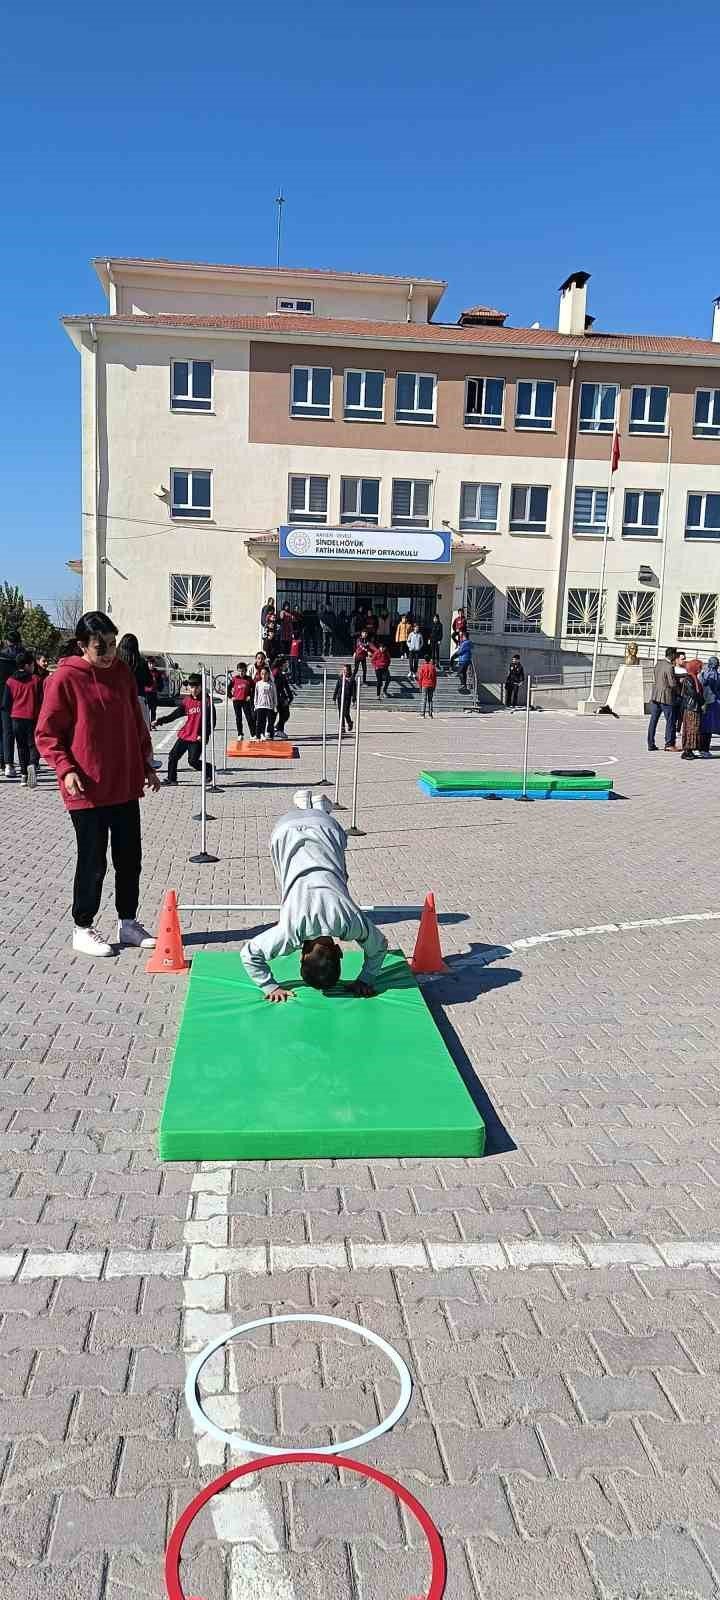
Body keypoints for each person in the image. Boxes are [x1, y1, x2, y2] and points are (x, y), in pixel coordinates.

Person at [34, 611, 159, 957]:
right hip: (85, 788)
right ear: (81, 646)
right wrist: (66, 768)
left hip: (122, 784)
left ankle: (128, 922)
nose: (107, 652)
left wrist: (147, 763)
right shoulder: (64, 680)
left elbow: (136, 723)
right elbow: (47, 734)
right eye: (100, 646)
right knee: (93, 861)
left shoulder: (121, 673)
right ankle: (83, 926)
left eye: (112, 644)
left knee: (129, 857)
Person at [241, 790, 388, 1002]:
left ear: (339, 951)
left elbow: (380, 946)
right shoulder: (291, 931)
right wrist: (270, 987)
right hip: (284, 830)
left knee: (334, 864)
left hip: (327, 827)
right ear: (301, 955)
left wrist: (366, 978)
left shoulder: (350, 923)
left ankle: (317, 809)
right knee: (292, 867)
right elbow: (249, 955)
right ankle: (312, 807)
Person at [156, 675, 214, 784]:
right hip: (186, 734)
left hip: (197, 737)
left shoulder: (207, 701)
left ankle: (209, 769)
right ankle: (171, 779)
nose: (194, 690)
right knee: (173, 756)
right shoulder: (187, 701)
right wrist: (160, 721)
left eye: (197, 687)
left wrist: (204, 735)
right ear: (189, 688)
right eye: (192, 687)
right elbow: (174, 715)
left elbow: (212, 721)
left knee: (192, 761)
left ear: (201, 687)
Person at [116, 633, 162, 768]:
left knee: (120, 731)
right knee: (143, 731)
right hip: (138, 698)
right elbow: (148, 681)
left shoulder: (116, 661)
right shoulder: (139, 661)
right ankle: (148, 760)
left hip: (119, 699)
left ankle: (120, 759)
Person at [2, 650, 43, 787]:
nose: (33, 667)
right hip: (32, 718)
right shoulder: (36, 680)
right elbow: (42, 700)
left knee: (21, 747)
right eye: (32, 665)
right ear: (27, 665)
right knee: (33, 745)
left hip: (16, 718)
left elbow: (6, 703)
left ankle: (24, 776)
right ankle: (33, 764)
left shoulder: (10, 681)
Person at [647, 648, 678, 751]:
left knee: (653, 721)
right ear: (672, 655)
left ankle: (650, 743)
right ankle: (669, 744)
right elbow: (672, 683)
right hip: (666, 697)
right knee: (670, 721)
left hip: (655, 696)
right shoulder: (670, 667)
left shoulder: (658, 664)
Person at [0, 630, 21, 777]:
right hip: (20, 699)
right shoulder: (23, 657)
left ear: (7, 641)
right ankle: (28, 763)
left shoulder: (1, 657)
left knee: (4, 732)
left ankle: (5, 763)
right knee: (21, 734)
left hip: (2, 699)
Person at [679, 668, 703, 760]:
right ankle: (687, 751)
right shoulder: (689, 678)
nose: (700, 670)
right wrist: (702, 701)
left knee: (694, 729)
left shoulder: (694, 678)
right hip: (691, 707)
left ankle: (690, 750)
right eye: (699, 667)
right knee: (691, 729)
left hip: (694, 706)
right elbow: (693, 693)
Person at [699, 656, 720, 756]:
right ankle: (705, 749)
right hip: (713, 703)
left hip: (703, 703)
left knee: (703, 727)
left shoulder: (703, 674)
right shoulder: (716, 675)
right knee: (709, 728)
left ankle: (702, 748)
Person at [230, 662, 255, 738]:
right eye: (240, 671)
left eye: (243, 671)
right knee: (238, 718)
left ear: (246, 671)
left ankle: (253, 734)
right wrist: (231, 696)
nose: (241, 673)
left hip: (245, 701)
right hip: (237, 701)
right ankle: (240, 733)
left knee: (249, 717)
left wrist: (250, 696)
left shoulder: (249, 679)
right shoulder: (235, 679)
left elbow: (254, 689)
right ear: (237, 670)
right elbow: (228, 688)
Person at [254, 665, 277, 740]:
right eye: (262, 674)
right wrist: (255, 705)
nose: (264, 676)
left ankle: (270, 734)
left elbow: (274, 695)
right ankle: (259, 735)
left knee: (270, 722)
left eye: (266, 674)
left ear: (268, 674)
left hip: (269, 706)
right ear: (260, 675)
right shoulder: (258, 684)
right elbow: (256, 695)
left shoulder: (271, 684)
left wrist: (275, 705)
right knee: (260, 722)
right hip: (260, 705)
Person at [272, 658, 294, 735]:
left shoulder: (281, 672)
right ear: (282, 664)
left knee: (285, 714)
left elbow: (285, 685)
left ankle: (279, 729)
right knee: (276, 715)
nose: (287, 665)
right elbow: (276, 685)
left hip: (282, 696)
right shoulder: (275, 672)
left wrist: (290, 696)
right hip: (277, 697)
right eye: (286, 663)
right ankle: (272, 731)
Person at [333, 664, 356, 735]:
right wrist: (334, 697)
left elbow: (354, 691)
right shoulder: (340, 678)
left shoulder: (352, 679)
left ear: (349, 671)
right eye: (343, 670)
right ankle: (342, 727)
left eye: (346, 670)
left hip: (347, 698)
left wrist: (353, 700)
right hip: (340, 697)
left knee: (346, 712)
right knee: (341, 712)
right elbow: (337, 687)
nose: (344, 671)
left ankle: (350, 722)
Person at [416, 654, 437, 718]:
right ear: (430, 659)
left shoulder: (422, 667)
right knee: (430, 700)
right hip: (431, 684)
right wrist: (434, 686)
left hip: (424, 684)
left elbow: (420, 678)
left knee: (424, 699)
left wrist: (420, 686)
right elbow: (435, 678)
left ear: (424, 660)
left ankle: (423, 714)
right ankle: (430, 714)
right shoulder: (433, 667)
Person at [145, 657, 160, 728]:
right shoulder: (144, 672)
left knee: (154, 710)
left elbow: (160, 682)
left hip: (154, 693)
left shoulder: (157, 672)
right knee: (147, 710)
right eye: (150, 664)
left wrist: (159, 688)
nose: (151, 665)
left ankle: (153, 724)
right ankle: (147, 725)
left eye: (152, 664)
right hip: (146, 693)